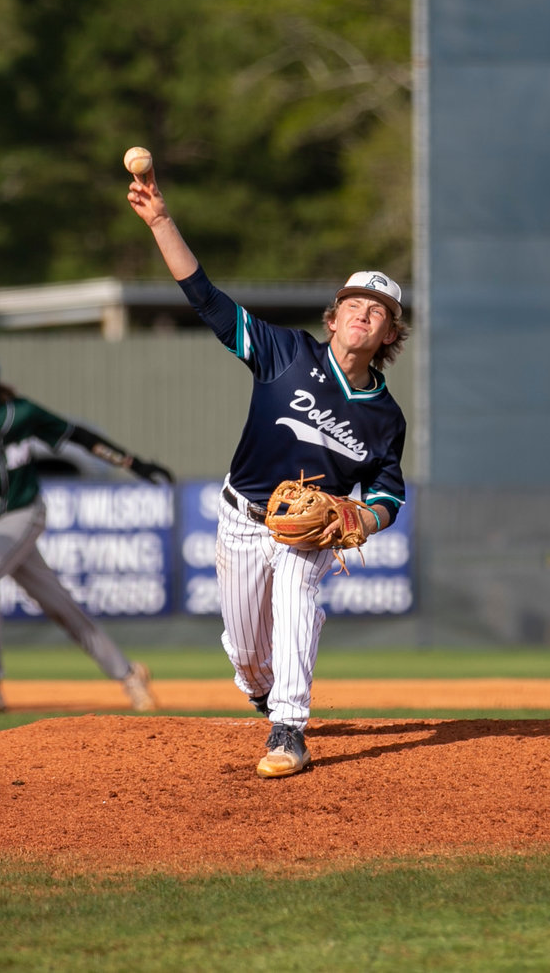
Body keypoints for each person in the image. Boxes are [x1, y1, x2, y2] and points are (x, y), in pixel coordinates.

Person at [127, 159, 408, 778]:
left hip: (307, 534)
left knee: (300, 592)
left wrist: (363, 515)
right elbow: (206, 301)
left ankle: (289, 730)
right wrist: (162, 221)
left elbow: (389, 489)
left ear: (389, 334)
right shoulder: (284, 352)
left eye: (378, 310)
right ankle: (260, 685)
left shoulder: (385, 416)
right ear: (332, 318)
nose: (364, 314)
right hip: (242, 519)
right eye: (354, 304)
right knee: (251, 655)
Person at [0, 336, 170, 713]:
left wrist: (132, 462)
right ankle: (130, 674)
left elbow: (77, 435)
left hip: (24, 513)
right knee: (61, 607)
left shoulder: (20, 412)